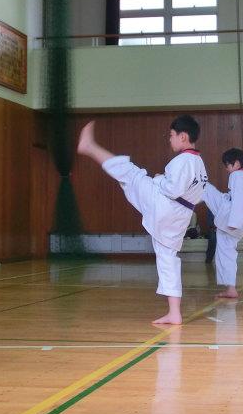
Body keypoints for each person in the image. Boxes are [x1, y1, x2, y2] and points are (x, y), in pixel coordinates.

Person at [77, 115, 207, 325]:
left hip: (164, 207)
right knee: (167, 258)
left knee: (132, 174)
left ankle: (90, 147)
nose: (170, 139)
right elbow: (197, 194)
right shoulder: (199, 164)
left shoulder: (183, 160)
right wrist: (163, 181)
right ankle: (174, 312)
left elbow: (172, 189)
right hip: (180, 216)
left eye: (172, 135)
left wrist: (159, 180)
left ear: (183, 137)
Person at [202, 148, 243, 299]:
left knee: (204, 187)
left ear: (237, 163)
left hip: (232, 214)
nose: (226, 169)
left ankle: (176, 187)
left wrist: (234, 222)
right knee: (227, 251)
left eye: (228, 165)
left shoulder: (237, 175)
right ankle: (231, 288)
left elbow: (239, 199)